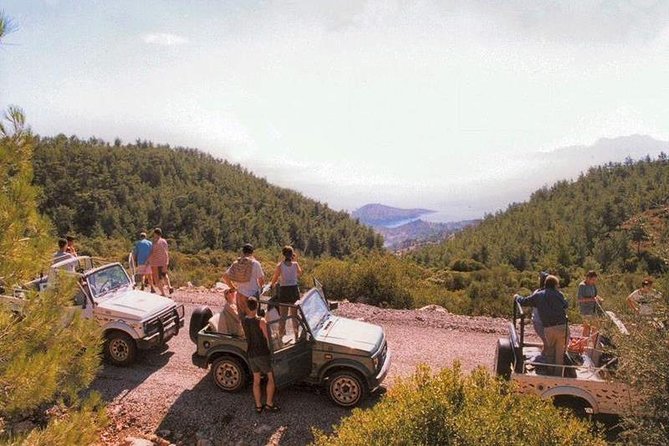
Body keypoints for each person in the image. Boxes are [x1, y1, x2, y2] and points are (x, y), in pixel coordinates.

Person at [516, 275, 569, 376]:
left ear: (545, 284)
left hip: (549, 328)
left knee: (550, 352)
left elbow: (524, 301)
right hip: (562, 327)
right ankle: (558, 376)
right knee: (559, 353)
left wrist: (517, 297)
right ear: (555, 285)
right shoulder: (559, 294)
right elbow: (566, 305)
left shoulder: (538, 295)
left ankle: (549, 374)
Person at [242, 297, 278, 414]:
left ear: (247, 307)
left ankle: (258, 405)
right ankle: (269, 404)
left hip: (251, 354)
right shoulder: (261, 321)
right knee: (271, 378)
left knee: (256, 380)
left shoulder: (244, 321)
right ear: (257, 306)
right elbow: (269, 338)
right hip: (262, 353)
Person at [222, 244, 265, 316]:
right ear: (252, 252)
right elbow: (261, 281)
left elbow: (225, 276)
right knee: (253, 319)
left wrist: (232, 287)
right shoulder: (255, 263)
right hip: (251, 296)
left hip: (240, 295)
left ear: (243, 252)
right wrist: (260, 289)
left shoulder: (236, 263)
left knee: (242, 320)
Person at [270, 246, 303, 339]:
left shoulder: (280, 265)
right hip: (294, 290)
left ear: (283, 254)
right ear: (292, 254)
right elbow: (300, 273)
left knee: (283, 317)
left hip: (284, 290)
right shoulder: (295, 264)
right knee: (294, 316)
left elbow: (275, 277)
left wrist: (272, 284)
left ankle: (280, 338)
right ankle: (296, 336)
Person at [148, 228, 173, 296]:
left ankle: (163, 293)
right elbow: (166, 250)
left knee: (156, 279)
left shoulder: (155, 242)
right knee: (164, 274)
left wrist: (148, 260)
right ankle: (169, 286)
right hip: (165, 261)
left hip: (156, 262)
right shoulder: (164, 241)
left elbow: (152, 252)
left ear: (155, 234)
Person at [578, 271, 602, 337]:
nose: (594, 281)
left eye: (595, 280)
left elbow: (595, 295)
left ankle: (594, 344)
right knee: (587, 328)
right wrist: (592, 299)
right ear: (588, 278)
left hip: (593, 310)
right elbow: (580, 299)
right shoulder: (582, 286)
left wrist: (600, 298)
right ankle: (584, 344)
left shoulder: (593, 285)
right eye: (593, 280)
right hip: (586, 311)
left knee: (595, 327)